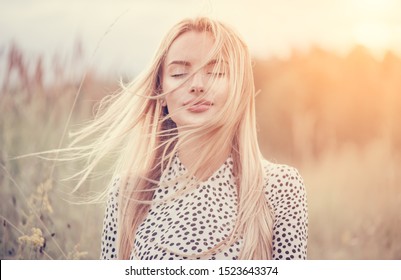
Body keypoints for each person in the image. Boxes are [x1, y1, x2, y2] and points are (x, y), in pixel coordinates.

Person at [71, 17, 308, 260]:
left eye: (215, 72)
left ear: (239, 89)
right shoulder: (127, 193)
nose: (196, 85)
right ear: (160, 92)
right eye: (180, 73)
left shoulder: (280, 187)